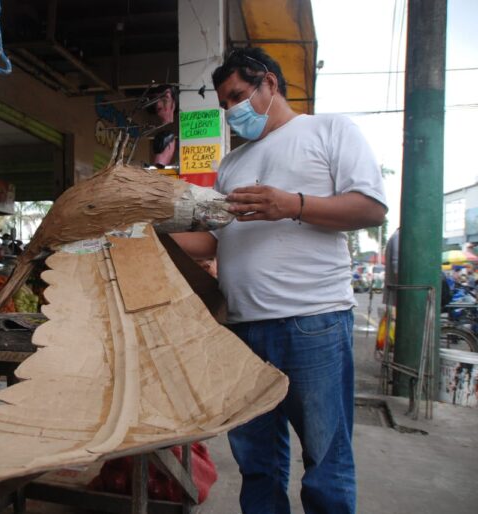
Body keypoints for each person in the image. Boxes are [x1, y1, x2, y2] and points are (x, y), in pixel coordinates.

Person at [172, 47, 387, 514]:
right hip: (244, 329)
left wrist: (293, 204)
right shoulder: (232, 165)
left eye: (237, 96)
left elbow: (370, 208)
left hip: (313, 322)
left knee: (325, 460)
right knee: (257, 463)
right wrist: (150, 235)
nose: (231, 111)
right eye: (225, 104)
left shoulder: (329, 131)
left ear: (269, 83)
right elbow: (216, 243)